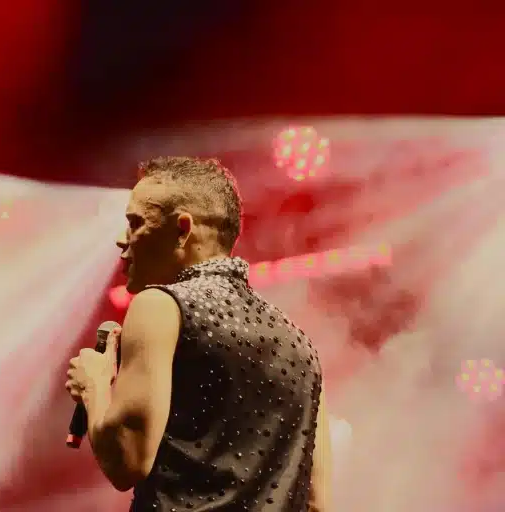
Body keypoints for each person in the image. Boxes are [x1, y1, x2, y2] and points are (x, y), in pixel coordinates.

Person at [65, 156, 332, 511]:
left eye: (135, 223)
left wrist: (94, 387)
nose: (120, 240)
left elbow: (128, 460)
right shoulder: (301, 347)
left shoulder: (161, 306)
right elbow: (318, 503)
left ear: (182, 230)